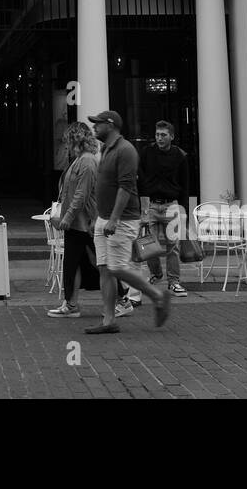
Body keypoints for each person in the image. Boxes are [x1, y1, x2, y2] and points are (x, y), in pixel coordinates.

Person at [83, 110, 170, 334]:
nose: (94, 128)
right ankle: (109, 320)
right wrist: (98, 217)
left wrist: (113, 219)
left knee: (117, 267)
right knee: (104, 269)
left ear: (110, 125)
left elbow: (126, 187)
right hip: (104, 219)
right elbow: (104, 187)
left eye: (97, 124)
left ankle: (157, 296)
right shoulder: (107, 149)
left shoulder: (125, 150)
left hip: (121, 221)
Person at [47, 122, 100, 318]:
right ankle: (71, 304)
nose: (66, 145)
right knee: (79, 264)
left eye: (67, 141)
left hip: (82, 223)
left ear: (75, 140)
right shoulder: (80, 160)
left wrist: (66, 218)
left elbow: (81, 195)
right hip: (80, 222)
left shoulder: (86, 162)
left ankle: (72, 305)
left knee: (83, 264)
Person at [138, 120, 190, 297]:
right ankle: (156, 273)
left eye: (163, 135)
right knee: (148, 244)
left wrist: (184, 212)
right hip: (151, 204)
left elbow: (185, 185)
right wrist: (143, 208)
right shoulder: (146, 153)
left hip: (171, 204)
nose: (159, 138)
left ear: (172, 137)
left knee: (173, 246)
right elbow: (141, 181)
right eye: (157, 134)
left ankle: (174, 282)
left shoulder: (180, 156)